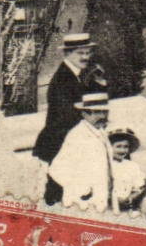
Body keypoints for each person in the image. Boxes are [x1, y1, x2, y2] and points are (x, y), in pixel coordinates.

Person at [33, 33, 106, 205]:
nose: (86, 57)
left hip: (67, 140)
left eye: (88, 53)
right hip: (57, 142)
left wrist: (99, 83)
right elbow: (67, 113)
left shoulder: (76, 74)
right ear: (67, 54)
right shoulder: (62, 78)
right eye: (81, 53)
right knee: (56, 192)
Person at [47, 93, 114, 209]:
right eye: (97, 112)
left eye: (105, 111)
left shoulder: (102, 133)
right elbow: (55, 169)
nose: (103, 116)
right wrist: (82, 189)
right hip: (83, 201)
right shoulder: (77, 135)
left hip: (102, 198)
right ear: (84, 114)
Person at [107, 128, 146, 213]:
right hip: (109, 208)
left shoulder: (131, 166)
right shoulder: (104, 166)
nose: (122, 150)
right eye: (118, 146)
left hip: (128, 207)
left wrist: (131, 198)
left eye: (125, 147)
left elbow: (140, 187)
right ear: (109, 148)